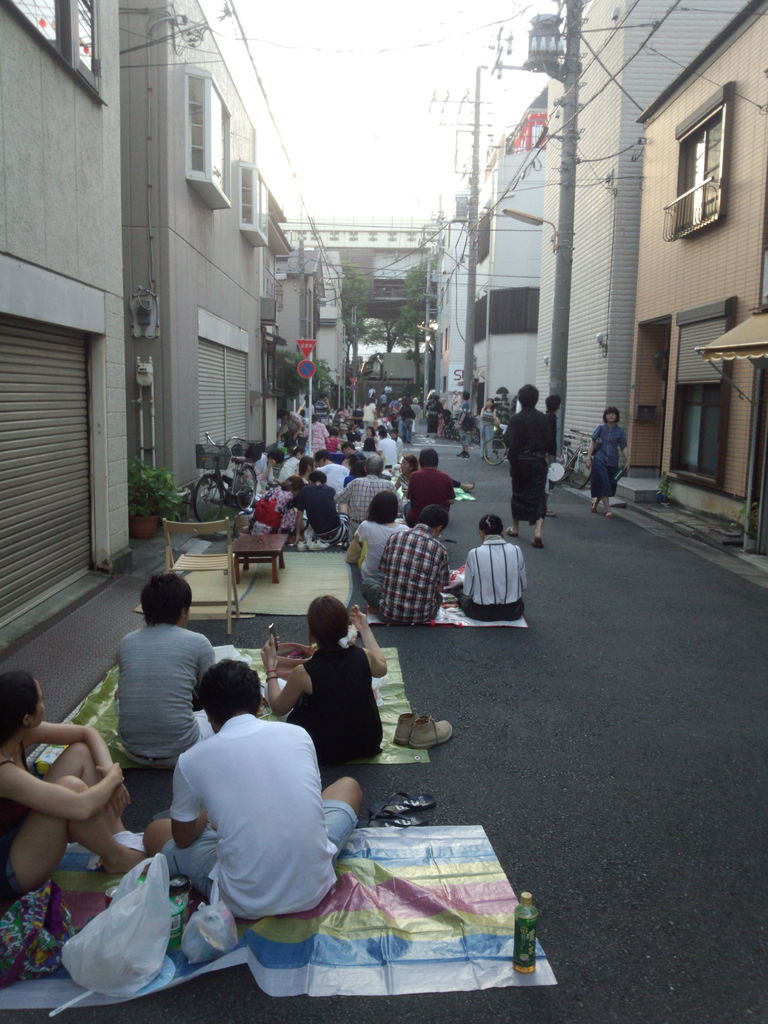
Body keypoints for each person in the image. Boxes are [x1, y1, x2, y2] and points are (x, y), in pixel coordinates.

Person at [143, 660, 362, 918]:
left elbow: (182, 838)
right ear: (260, 704)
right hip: (314, 886)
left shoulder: (191, 760)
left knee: (155, 832)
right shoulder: (298, 734)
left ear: (208, 715)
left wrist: (208, 811)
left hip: (241, 902)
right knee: (349, 786)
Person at [0, 671, 145, 901]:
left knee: (80, 753)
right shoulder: (3, 771)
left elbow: (87, 732)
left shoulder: (15, 733)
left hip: (19, 830)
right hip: (9, 869)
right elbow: (81, 807)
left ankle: (117, 836)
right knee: (72, 788)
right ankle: (116, 857)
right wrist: (114, 777)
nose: (44, 705)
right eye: (41, 700)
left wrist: (108, 769)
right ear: (26, 718)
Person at [262, 599, 385, 765]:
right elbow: (382, 668)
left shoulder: (304, 672)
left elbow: (278, 708)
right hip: (368, 742)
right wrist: (364, 627)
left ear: (313, 633)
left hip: (324, 750)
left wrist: (270, 669)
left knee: (268, 687)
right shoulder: (364, 655)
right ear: (346, 625)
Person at [117, 573, 216, 766]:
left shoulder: (126, 643)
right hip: (183, 749)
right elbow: (212, 694)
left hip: (132, 751)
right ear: (183, 610)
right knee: (215, 713)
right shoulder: (198, 642)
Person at [362, 505, 450, 624]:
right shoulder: (441, 550)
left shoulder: (395, 537)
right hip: (423, 616)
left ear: (420, 519)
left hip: (388, 613)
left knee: (368, 582)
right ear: (439, 527)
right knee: (438, 596)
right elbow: (440, 587)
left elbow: (385, 570)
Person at [504, 383, 556, 548]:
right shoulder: (543, 418)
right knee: (538, 496)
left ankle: (515, 527)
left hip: (520, 462)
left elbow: (509, 441)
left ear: (520, 399)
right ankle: (538, 532)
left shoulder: (516, 419)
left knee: (518, 494)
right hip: (538, 462)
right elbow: (550, 444)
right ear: (536, 400)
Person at [456, 514, 526, 621]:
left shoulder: (474, 553)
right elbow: (523, 585)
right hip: (513, 611)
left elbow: (467, 591)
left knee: (459, 591)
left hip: (481, 612)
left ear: (482, 533)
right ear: (502, 531)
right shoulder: (517, 550)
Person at [352, 490, 409, 583]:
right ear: (395, 509)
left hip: (369, 575)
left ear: (373, 508)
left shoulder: (366, 525)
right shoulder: (404, 529)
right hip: (393, 577)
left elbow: (356, 539)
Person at [336, 455, 400, 535]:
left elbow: (339, 499)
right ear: (382, 470)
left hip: (357, 527)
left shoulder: (355, 482)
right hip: (380, 528)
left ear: (365, 468)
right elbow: (399, 505)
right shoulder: (389, 485)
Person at [587, 406, 630, 518]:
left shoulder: (620, 431)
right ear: (605, 416)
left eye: (613, 414)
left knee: (611, 484)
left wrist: (628, 460)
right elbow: (592, 443)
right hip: (599, 459)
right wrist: (588, 459)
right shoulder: (600, 428)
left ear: (616, 416)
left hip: (613, 460)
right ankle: (608, 510)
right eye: (608, 414)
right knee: (604, 482)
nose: (611, 416)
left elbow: (623, 447)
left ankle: (595, 503)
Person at [294, 470, 350, 549]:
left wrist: (298, 534)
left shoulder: (304, 491)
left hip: (321, 537)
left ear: (310, 481)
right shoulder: (331, 490)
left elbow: (299, 515)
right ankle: (348, 539)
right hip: (339, 534)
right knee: (343, 504)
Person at [405, 447, 455, 527]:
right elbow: (451, 500)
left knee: (406, 506)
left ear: (420, 462)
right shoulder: (445, 477)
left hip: (417, 517)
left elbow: (409, 497)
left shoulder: (414, 476)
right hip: (438, 519)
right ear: (436, 461)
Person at [457, 391, 474, 459]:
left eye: (462, 395)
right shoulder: (467, 403)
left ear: (464, 396)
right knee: (463, 437)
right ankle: (464, 451)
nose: (461, 395)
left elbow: (464, 414)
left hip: (465, 424)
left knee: (464, 437)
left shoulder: (465, 404)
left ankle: (466, 452)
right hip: (466, 423)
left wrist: (460, 422)